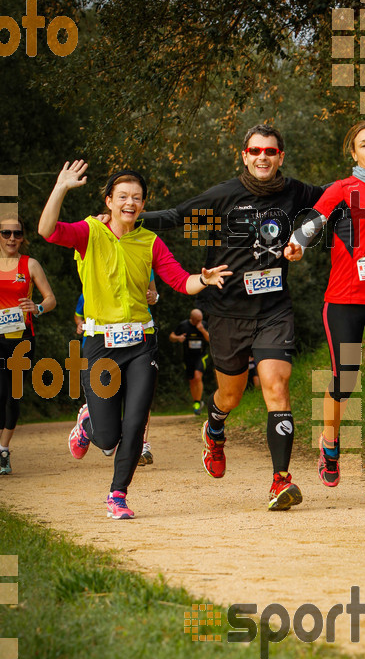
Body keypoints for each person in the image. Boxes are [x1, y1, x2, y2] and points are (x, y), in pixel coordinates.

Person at [141, 125, 325, 510]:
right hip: (226, 311)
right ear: (244, 155)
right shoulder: (224, 195)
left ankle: (280, 481)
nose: (263, 157)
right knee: (232, 394)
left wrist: (301, 239)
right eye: (255, 151)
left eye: (270, 151)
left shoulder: (296, 192)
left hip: (275, 308)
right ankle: (215, 425)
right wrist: (127, 216)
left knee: (276, 387)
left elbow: (331, 204)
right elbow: (177, 216)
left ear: (280, 157)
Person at [38, 161, 230, 520]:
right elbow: (47, 231)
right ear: (109, 200)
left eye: (137, 198)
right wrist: (61, 187)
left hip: (142, 342)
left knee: (136, 422)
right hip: (100, 345)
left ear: (143, 205)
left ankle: (117, 495)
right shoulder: (89, 233)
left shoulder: (149, 241)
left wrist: (202, 279)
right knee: (108, 438)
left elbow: (179, 281)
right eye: (123, 196)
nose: (130, 203)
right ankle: (89, 423)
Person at [286, 122, 365, 497]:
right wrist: (295, 243)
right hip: (342, 300)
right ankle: (329, 444)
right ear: (353, 154)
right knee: (346, 379)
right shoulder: (342, 190)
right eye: (363, 145)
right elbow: (315, 221)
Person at [73, 280, 159, 466]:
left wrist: (154, 297)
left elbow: (155, 294)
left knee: (140, 395)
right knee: (107, 444)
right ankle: (89, 425)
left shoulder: (143, 257)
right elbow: (78, 315)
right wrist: (81, 325)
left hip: (138, 340)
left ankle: (141, 444)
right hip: (103, 350)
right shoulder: (95, 281)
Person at [0, 215, 56, 474]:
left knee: (12, 394)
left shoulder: (30, 264)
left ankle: (3, 451)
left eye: (17, 233)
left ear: (23, 237)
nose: (12, 238)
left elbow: (50, 299)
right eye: (6, 233)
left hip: (20, 338)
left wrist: (38, 308)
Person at [169, 308, 210, 415]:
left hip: (201, 355)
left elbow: (210, 339)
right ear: (192, 319)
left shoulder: (204, 325)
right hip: (188, 357)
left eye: (201, 320)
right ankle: (196, 402)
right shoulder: (183, 325)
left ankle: (197, 402)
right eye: (197, 320)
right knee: (192, 380)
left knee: (197, 376)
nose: (199, 322)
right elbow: (171, 336)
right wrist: (178, 338)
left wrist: (202, 330)